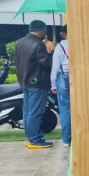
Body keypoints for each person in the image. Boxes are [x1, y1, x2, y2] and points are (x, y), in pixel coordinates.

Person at [13, 20, 54, 149]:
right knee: (35, 112)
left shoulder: (20, 42)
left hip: (24, 81)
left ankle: (30, 137)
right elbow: (46, 62)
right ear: (41, 30)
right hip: (37, 82)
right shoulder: (38, 45)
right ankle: (35, 139)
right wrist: (51, 52)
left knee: (28, 111)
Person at [50, 26, 71, 147]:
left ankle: (67, 140)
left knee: (65, 110)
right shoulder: (82, 44)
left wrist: (53, 83)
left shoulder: (60, 46)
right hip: (79, 78)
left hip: (63, 77)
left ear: (64, 33)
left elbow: (55, 67)